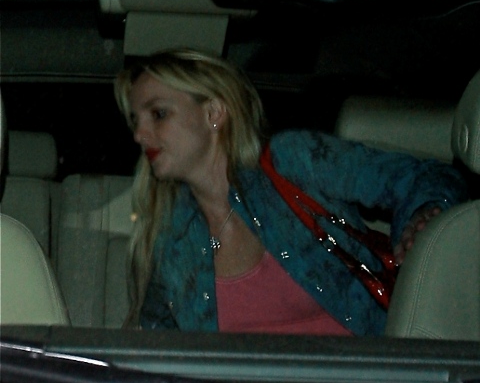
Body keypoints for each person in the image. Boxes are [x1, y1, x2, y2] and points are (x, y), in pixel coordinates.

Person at [114, 48, 469, 336]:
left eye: (158, 114)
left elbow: (424, 177)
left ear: (214, 113)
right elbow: (159, 341)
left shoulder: (292, 162)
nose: (139, 135)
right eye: (135, 121)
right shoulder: (170, 239)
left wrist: (422, 217)